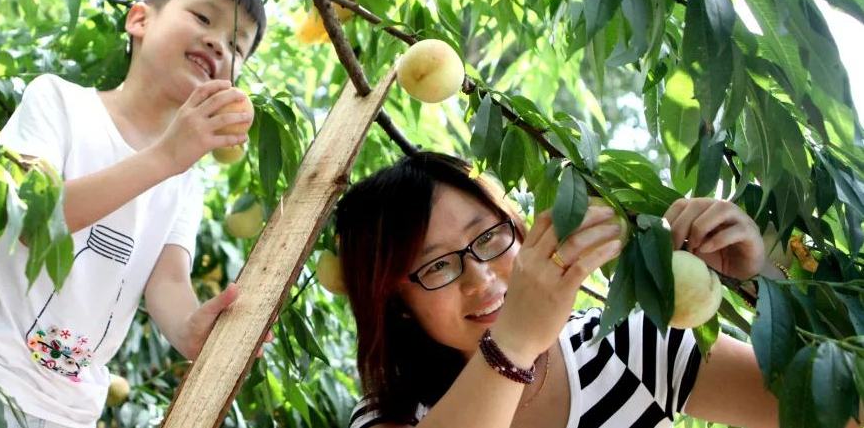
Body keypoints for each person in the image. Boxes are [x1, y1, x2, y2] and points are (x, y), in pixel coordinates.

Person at [0, 0, 267, 428]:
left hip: (70, 411)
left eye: (236, 46)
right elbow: (33, 221)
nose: (219, 43)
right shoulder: (59, 102)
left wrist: (189, 330)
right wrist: (167, 156)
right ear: (139, 20)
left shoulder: (185, 180)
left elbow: (167, 281)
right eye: (203, 18)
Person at [336, 151, 787, 428]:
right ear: (397, 302)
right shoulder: (393, 413)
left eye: (488, 237)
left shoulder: (627, 346)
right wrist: (512, 345)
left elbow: (821, 411)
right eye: (436, 265)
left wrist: (763, 280)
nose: (481, 278)